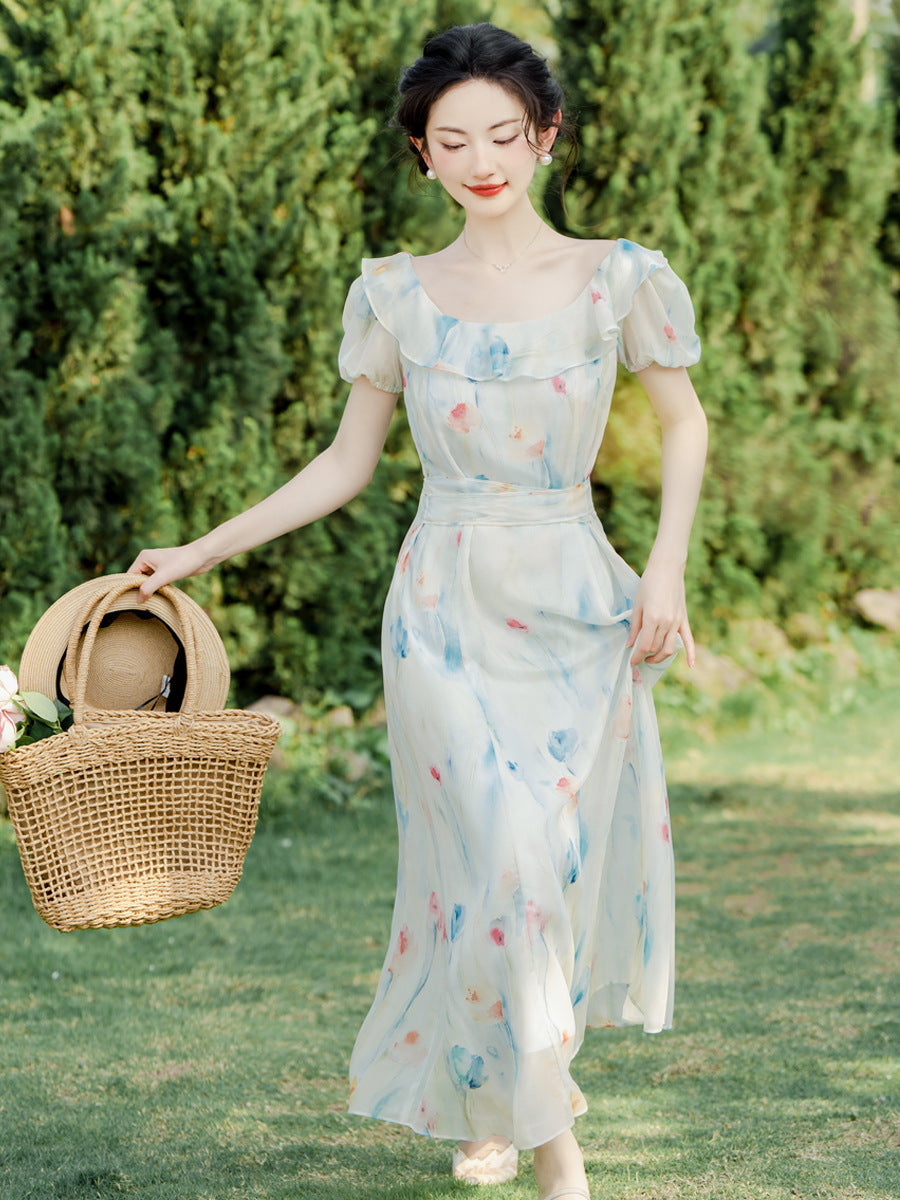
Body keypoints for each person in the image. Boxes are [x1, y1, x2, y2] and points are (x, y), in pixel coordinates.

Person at [129, 23, 707, 1200]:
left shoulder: (620, 278)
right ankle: (558, 1151)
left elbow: (686, 423)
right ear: (421, 155)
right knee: (492, 860)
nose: (483, 157)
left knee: (534, 877)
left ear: (545, 138)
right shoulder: (396, 294)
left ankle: (490, 1099)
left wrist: (667, 569)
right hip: (441, 607)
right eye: (454, 139)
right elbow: (343, 466)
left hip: (575, 600)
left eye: (505, 132)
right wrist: (199, 548)